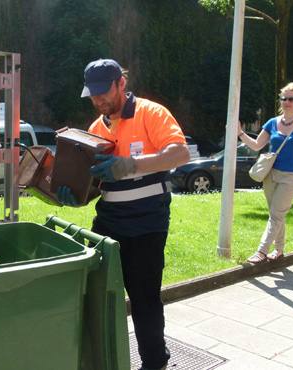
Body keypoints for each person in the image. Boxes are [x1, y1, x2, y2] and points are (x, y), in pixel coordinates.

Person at [57, 59, 190, 370]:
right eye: (92, 94)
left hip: (147, 222)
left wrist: (130, 164)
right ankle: (101, 359)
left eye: (104, 92)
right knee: (97, 294)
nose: (98, 100)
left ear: (121, 83)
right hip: (108, 220)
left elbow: (180, 154)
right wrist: (76, 195)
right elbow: (94, 182)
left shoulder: (151, 113)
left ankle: (155, 362)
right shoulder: (94, 129)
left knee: (144, 300)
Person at [238, 82, 293, 263]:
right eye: (284, 99)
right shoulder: (272, 122)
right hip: (271, 174)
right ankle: (279, 249)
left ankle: (262, 251)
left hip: (292, 176)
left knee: (276, 214)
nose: (287, 102)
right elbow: (257, 145)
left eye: (291, 99)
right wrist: (241, 133)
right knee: (277, 214)